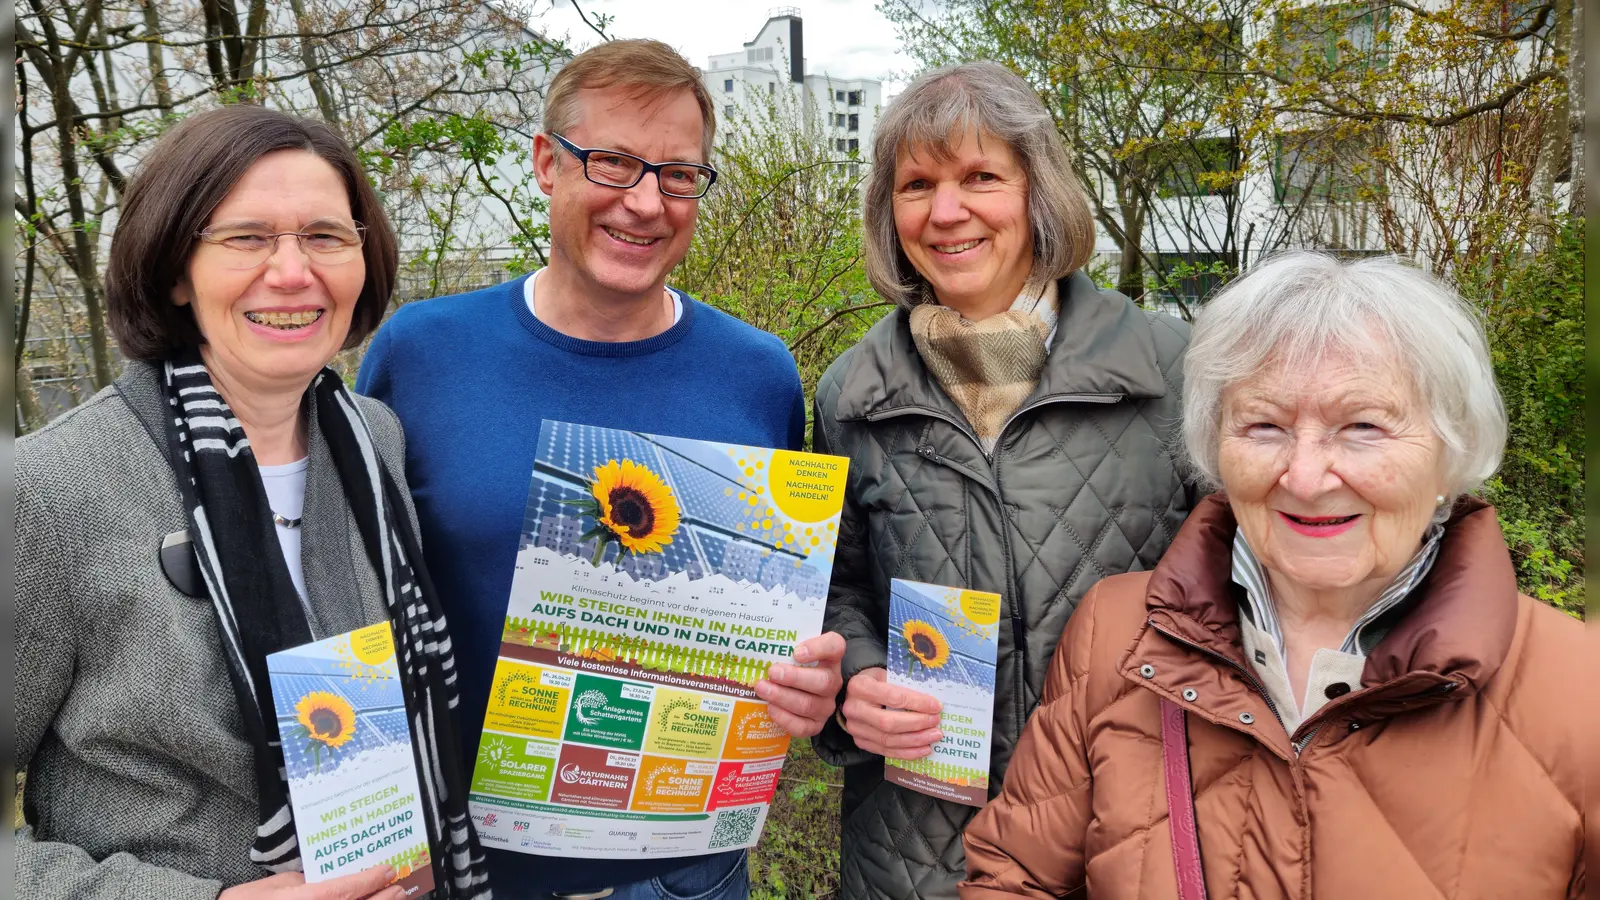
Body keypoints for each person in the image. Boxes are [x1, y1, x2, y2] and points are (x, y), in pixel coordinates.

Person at [356, 39, 845, 900]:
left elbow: (780, 611)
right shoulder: (422, 353)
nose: (647, 203)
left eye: (680, 175)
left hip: (686, 870)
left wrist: (807, 686)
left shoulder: (760, 373)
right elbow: (356, 591)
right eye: (614, 163)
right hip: (464, 870)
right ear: (547, 163)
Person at [960, 252, 1589, 898]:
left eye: (1363, 427)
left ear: (1450, 448)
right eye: (1264, 426)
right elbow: (1014, 876)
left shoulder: (1576, 695)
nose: (1307, 477)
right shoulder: (1115, 635)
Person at [16, 106, 488, 900]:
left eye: (326, 237)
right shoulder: (53, 490)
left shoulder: (374, 442)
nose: (293, 272)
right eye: (246, 238)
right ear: (175, 269)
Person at [809, 61, 1196, 900]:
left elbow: (1248, 597)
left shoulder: (1174, 373)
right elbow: (833, 589)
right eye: (916, 185)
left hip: (1132, 840)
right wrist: (858, 681)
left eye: (980, 176)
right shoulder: (849, 395)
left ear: (1037, 194)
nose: (946, 212)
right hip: (915, 852)